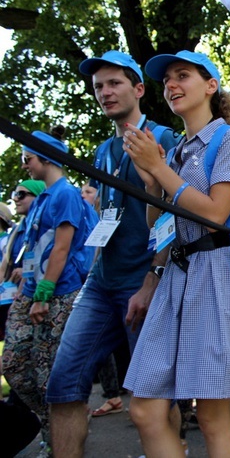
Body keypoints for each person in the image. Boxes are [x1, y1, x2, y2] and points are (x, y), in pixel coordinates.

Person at [45, 50, 180, 458]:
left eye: (115, 83)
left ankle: (175, 449)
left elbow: (176, 215)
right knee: (63, 385)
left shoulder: (164, 137)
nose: (105, 92)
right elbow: (107, 215)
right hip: (100, 284)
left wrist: (153, 277)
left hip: (144, 282)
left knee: (153, 396)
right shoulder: (104, 148)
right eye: (99, 86)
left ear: (139, 89)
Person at [122, 50, 230, 457]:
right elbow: (157, 226)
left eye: (182, 76)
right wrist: (151, 181)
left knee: (213, 419)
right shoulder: (178, 149)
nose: (171, 86)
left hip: (216, 273)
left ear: (211, 86)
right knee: (145, 409)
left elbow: (217, 213)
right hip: (177, 276)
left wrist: (159, 170)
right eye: (166, 81)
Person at [2, 127, 95, 455]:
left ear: (45, 158)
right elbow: (35, 246)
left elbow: (62, 247)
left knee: (48, 376)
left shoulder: (66, 194)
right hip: (29, 291)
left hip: (55, 294)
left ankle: (56, 440)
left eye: (28, 158)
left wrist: (43, 292)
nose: (25, 164)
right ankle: (47, 422)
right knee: (12, 363)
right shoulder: (42, 197)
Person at [1, 180, 46, 341]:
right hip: (13, 297)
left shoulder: (44, 225)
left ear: (39, 197)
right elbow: (4, 268)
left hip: (39, 297)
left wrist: (27, 272)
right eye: (14, 194)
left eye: (21, 194)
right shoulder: (17, 231)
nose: (15, 199)